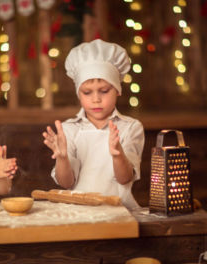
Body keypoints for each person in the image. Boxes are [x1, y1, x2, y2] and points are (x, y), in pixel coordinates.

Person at [42, 39, 145, 209]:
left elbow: (124, 178)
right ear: (78, 94)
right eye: (87, 92)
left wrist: (118, 154)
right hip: (78, 213)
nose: (96, 99)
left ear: (118, 90)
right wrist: (62, 158)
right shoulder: (70, 129)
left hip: (119, 212)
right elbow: (66, 183)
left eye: (104, 91)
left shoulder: (131, 127)